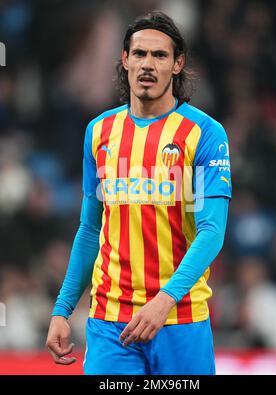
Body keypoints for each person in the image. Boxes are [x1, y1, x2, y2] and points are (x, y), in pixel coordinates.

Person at [46, 10, 232, 375]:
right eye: (140, 54)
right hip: (110, 321)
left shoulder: (205, 134)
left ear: (177, 64)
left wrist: (164, 300)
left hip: (179, 317)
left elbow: (211, 232)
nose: (148, 64)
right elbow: (89, 229)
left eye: (160, 55)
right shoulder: (99, 132)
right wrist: (62, 309)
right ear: (125, 60)